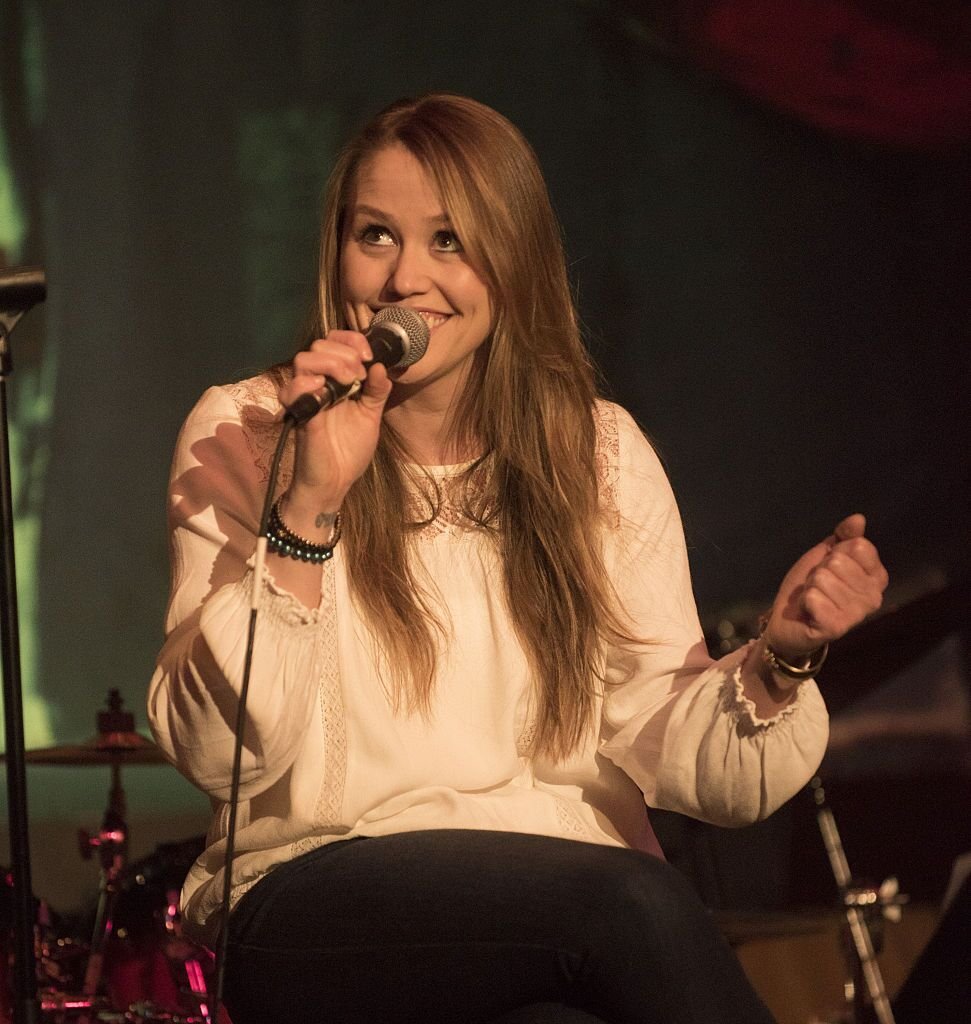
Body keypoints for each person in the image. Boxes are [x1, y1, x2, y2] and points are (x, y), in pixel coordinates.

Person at [147, 93, 887, 1024]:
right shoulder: (250, 430)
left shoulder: (596, 451)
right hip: (317, 892)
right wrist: (309, 503)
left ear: (513, 264)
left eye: (449, 241)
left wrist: (780, 659)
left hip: (559, 904)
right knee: (630, 898)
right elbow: (219, 755)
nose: (404, 276)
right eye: (375, 235)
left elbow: (670, 743)